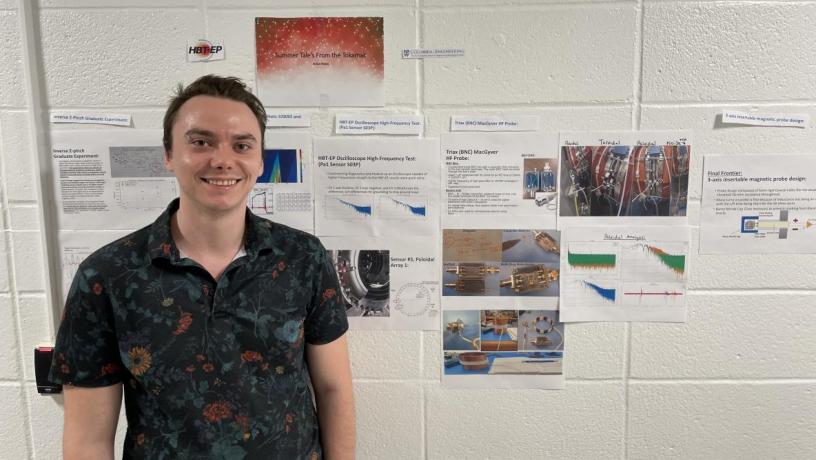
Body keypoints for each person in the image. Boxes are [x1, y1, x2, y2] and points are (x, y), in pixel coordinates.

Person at [49, 75, 355, 459]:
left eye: (241, 144)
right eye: (200, 142)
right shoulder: (107, 276)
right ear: (169, 154)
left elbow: (333, 389)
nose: (223, 159)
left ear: (260, 160)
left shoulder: (303, 258)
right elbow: (88, 440)